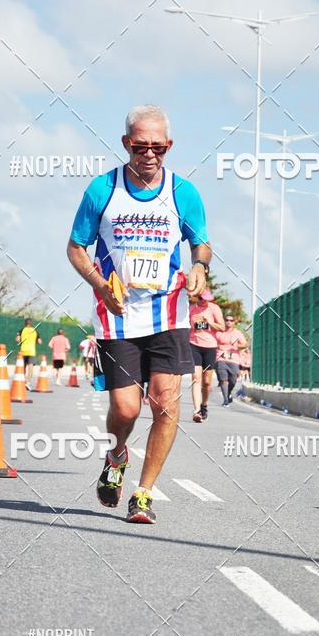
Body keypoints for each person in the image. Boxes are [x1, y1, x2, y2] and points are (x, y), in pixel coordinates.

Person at [67, 104, 210, 524]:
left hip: (169, 314)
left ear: (169, 146)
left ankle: (143, 494)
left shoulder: (183, 192)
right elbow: (76, 247)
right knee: (127, 409)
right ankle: (116, 456)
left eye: (159, 147)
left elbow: (201, 243)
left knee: (165, 404)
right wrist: (99, 285)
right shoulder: (102, 190)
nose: (150, 154)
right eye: (141, 146)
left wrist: (199, 265)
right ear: (127, 143)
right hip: (117, 316)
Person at [188, 288, 224, 422]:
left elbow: (222, 327)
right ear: (197, 298)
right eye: (202, 299)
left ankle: (204, 405)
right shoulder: (191, 309)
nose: (205, 302)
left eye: (207, 299)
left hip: (210, 346)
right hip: (194, 344)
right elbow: (186, 327)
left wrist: (210, 322)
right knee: (196, 378)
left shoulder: (214, 308)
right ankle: (196, 410)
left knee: (207, 382)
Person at [215, 314, 248, 405]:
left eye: (231, 320)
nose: (229, 322)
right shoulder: (219, 332)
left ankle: (228, 393)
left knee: (233, 380)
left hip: (233, 360)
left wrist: (237, 346)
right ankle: (225, 400)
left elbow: (245, 344)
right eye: (227, 320)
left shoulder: (237, 333)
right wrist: (219, 346)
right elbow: (213, 342)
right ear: (224, 321)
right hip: (220, 358)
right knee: (223, 379)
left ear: (234, 322)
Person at [15, 318, 42, 387]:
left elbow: (17, 340)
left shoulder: (21, 330)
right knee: (30, 367)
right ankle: (28, 382)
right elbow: (39, 342)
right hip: (31, 351)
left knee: (23, 367)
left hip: (23, 351)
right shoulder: (35, 330)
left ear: (25, 323)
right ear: (31, 323)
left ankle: (22, 380)